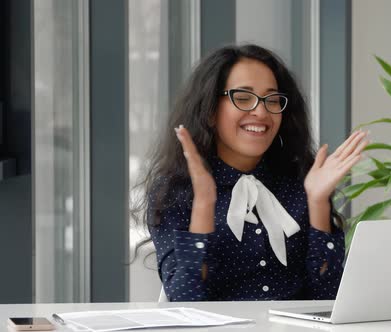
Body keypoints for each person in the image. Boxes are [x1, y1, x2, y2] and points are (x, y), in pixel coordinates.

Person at [139, 44, 368, 301]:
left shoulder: (301, 180)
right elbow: (186, 301)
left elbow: (328, 297)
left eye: (272, 100)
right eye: (243, 97)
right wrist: (203, 204)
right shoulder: (176, 190)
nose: (261, 112)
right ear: (210, 109)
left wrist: (318, 203)